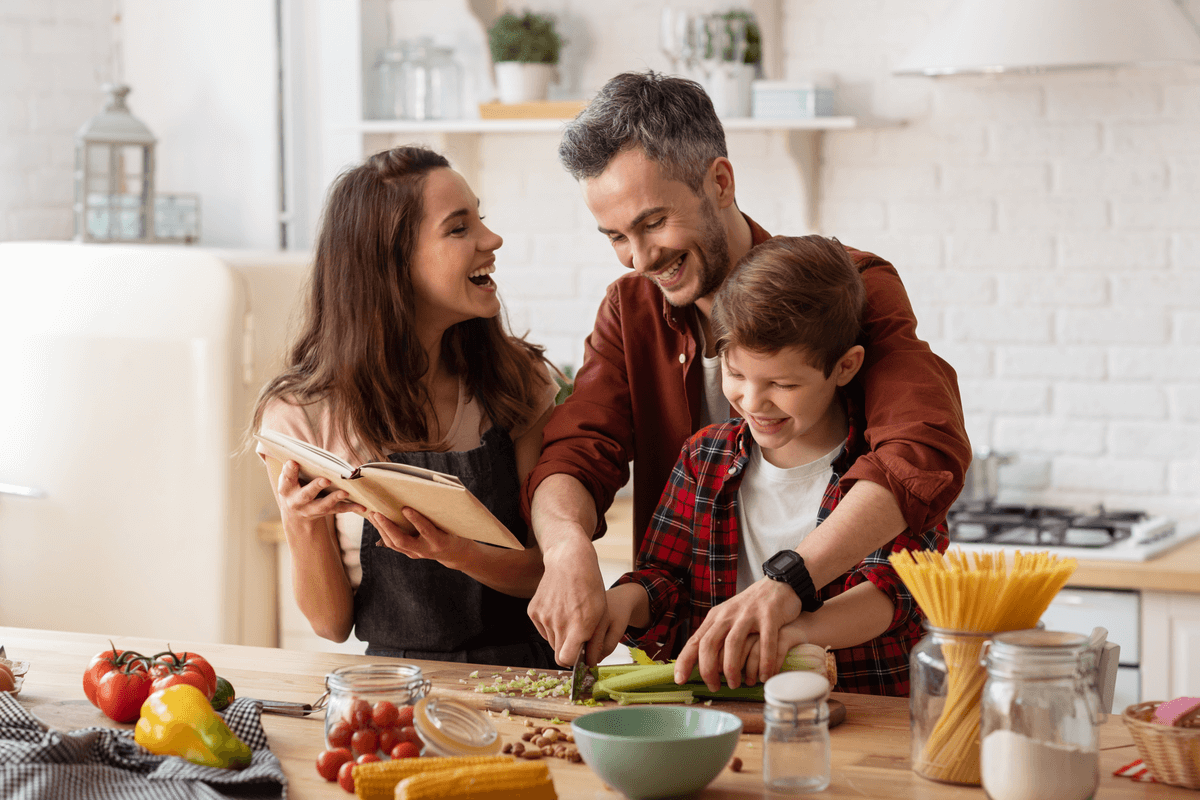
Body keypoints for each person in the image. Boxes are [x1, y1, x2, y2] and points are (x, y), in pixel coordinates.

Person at [522, 71, 971, 688]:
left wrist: (787, 586)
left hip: (858, 687)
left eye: (653, 223)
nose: (639, 258)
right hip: (706, 693)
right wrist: (568, 547)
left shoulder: (850, 287)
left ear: (720, 182)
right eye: (617, 237)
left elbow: (921, 449)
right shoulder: (631, 311)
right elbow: (576, 453)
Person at [251, 145, 559, 668]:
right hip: (394, 689)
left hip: (524, 678)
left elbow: (547, 572)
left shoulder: (517, 383)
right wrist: (300, 522)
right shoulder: (300, 418)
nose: (492, 239)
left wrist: (454, 551)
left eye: (479, 218)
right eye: (459, 228)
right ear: (391, 263)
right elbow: (330, 624)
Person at [603, 235, 946, 696]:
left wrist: (797, 632)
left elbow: (896, 592)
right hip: (731, 716)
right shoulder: (703, 457)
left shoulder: (885, 470)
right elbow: (665, 582)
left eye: (782, 383)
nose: (753, 400)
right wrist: (621, 603)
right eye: (736, 373)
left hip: (865, 714)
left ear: (845, 367)